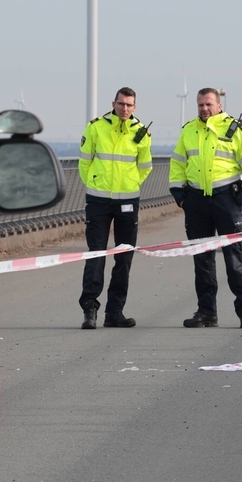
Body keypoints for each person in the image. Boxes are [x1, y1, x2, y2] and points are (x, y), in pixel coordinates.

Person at [169, 88, 242, 329]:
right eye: (200, 104)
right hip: (196, 201)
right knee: (202, 261)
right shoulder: (189, 130)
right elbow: (177, 165)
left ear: (219, 106)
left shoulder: (235, 130)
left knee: (235, 258)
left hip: (226, 200)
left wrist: (241, 200)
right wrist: (181, 198)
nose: (204, 109)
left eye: (208, 104)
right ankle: (206, 313)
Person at [77, 87, 153, 329]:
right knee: (96, 254)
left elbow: (145, 167)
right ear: (113, 104)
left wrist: (131, 185)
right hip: (98, 200)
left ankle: (114, 312)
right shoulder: (96, 127)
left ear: (135, 107)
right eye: (121, 104)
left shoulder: (141, 133)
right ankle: (90, 309)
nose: (124, 108)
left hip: (128, 201)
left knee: (124, 258)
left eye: (129, 105)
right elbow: (84, 162)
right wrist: (94, 184)